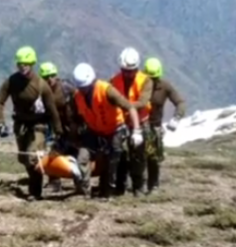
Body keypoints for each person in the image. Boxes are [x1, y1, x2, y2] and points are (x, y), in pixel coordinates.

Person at [0, 47, 63, 201]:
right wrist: (0, 123)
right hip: (21, 125)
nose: (22, 66)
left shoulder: (41, 85)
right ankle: (36, 180)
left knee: (33, 157)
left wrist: (58, 129)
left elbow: (52, 109)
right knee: (24, 159)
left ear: (32, 64)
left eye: (25, 64)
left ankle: (35, 192)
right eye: (20, 64)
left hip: (39, 125)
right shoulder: (12, 81)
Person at [68, 62, 142, 199]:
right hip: (94, 131)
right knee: (82, 158)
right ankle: (85, 191)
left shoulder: (107, 90)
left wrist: (137, 131)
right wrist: (74, 138)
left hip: (115, 130)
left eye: (85, 87)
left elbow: (130, 107)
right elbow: (75, 119)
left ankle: (109, 192)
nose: (83, 90)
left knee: (112, 160)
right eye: (81, 88)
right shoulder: (77, 97)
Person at [110, 47, 153, 196]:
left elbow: (143, 101)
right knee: (120, 155)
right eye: (125, 70)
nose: (128, 74)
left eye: (131, 71)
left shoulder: (145, 81)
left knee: (138, 156)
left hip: (140, 123)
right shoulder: (114, 81)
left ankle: (138, 187)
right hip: (121, 123)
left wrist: (126, 105)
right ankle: (120, 187)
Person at [143, 57, 186, 194]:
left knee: (153, 157)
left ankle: (153, 185)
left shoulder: (165, 87)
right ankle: (135, 184)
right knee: (135, 157)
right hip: (138, 125)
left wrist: (177, 117)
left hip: (155, 127)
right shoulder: (139, 84)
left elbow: (180, 102)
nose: (152, 81)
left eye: (154, 78)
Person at [39, 61, 76, 191]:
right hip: (59, 130)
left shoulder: (66, 88)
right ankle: (54, 182)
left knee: (80, 154)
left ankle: (82, 181)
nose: (50, 79)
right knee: (54, 154)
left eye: (52, 75)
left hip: (76, 127)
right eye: (46, 77)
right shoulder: (42, 93)